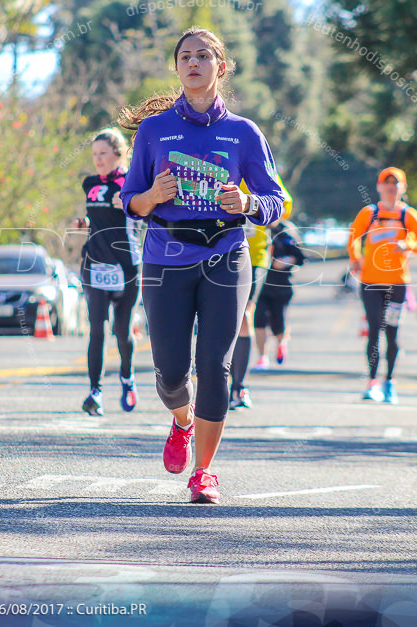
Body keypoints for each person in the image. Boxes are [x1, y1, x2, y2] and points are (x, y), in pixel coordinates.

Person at [120, 27, 286, 503]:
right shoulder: (153, 131)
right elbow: (129, 200)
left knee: (214, 364)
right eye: (185, 57)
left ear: (221, 67)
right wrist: (151, 196)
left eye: (203, 56)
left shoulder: (244, 132)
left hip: (226, 254)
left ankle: (205, 471)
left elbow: (277, 199)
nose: (193, 63)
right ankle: (182, 420)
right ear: (177, 68)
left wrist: (248, 203)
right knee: (172, 373)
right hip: (166, 256)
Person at [76, 128, 142, 416]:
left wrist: (132, 206)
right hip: (96, 265)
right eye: (94, 154)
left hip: (127, 265)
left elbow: (152, 214)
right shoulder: (90, 183)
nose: (98, 159)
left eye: (103, 153)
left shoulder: (133, 182)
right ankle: (95, 391)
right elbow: (97, 218)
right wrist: (83, 223)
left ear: (119, 153)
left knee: (122, 331)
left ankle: (127, 379)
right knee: (97, 329)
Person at [347, 167, 417, 403]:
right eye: (386, 183)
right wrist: (355, 258)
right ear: (379, 187)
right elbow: (353, 237)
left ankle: (390, 382)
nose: (391, 187)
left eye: (396, 184)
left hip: (397, 283)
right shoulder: (369, 213)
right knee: (373, 331)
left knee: (392, 333)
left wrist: (408, 244)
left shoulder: (409, 215)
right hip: (371, 282)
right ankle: (372, 383)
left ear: (403, 188)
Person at [229, 175, 291, 411]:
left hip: (254, 258)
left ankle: (239, 387)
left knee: (244, 314)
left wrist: (255, 206)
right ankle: (216, 381)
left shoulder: (261, 171)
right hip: (219, 252)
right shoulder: (221, 163)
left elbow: (284, 204)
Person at [252, 219, 306, 374]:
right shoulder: (254, 228)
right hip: (259, 284)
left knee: (278, 319)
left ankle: (281, 343)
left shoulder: (286, 231)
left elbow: (301, 257)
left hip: (282, 285)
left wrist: (287, 261)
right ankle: (262, 356)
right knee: (259, 319)